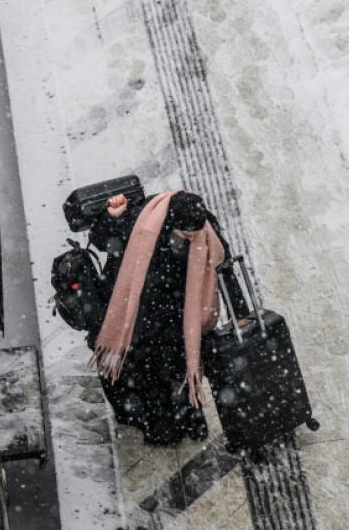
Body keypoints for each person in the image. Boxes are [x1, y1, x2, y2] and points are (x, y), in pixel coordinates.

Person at [86, 190, 249, 445]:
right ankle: (161, 428)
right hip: (139, 319)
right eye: (184, 235)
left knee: (178, 373)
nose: (190, 240)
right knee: (149, 378)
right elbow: (99, 240)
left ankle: (188, 421)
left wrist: (241, 314)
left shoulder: (205, 227)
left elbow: (224, 268)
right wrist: (112, 218)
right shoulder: (142, 220)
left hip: (178, 318)